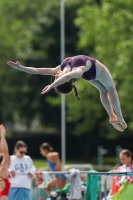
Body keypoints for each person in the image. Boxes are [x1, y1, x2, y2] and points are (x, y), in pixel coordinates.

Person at [7, 55, 127, 132]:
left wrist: (20, 67)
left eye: (55, 79)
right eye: (57, 79)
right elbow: (67, 76)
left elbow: (38, 70)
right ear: (67, 81)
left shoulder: (61, 68)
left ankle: (112, 116)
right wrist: (51, 85)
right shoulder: (76, 72)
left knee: (102, 90)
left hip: (88, 72)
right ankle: (119, 117)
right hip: (97, 72)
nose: (55, 76)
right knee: (111, 90)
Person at [0, 125, 10, 200]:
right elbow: (5, 154)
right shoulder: (2, 170)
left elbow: (2, 152)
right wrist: (2, 136)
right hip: (3, 196)